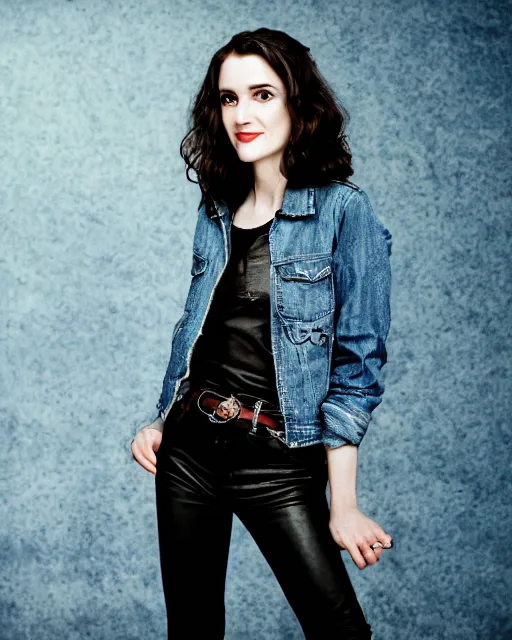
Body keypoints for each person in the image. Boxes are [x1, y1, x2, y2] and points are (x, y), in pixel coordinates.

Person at [131, 27, 394, 640]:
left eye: (262, 94)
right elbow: (206, 330)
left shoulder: (343, 212)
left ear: (298, 103)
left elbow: (358, 369)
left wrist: (344, 501)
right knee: (193, 631)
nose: (242, 115)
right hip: (190, 451)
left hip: (278, 459)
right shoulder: (216, 208)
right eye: (228, 99)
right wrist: (163, 419)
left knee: (340, 632)